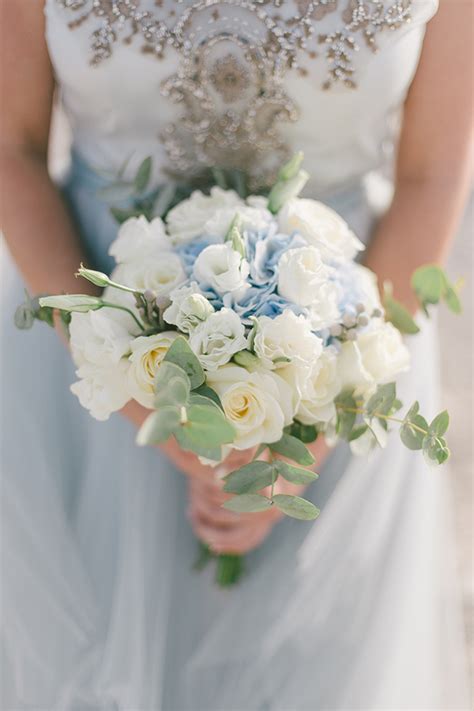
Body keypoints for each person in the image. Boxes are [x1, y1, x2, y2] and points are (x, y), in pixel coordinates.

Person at [1, 1, 471, 708]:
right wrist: (134, 389)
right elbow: (12, 147)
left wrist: (314, 423)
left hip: (340, 343)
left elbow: (433, 172)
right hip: (89, 331)